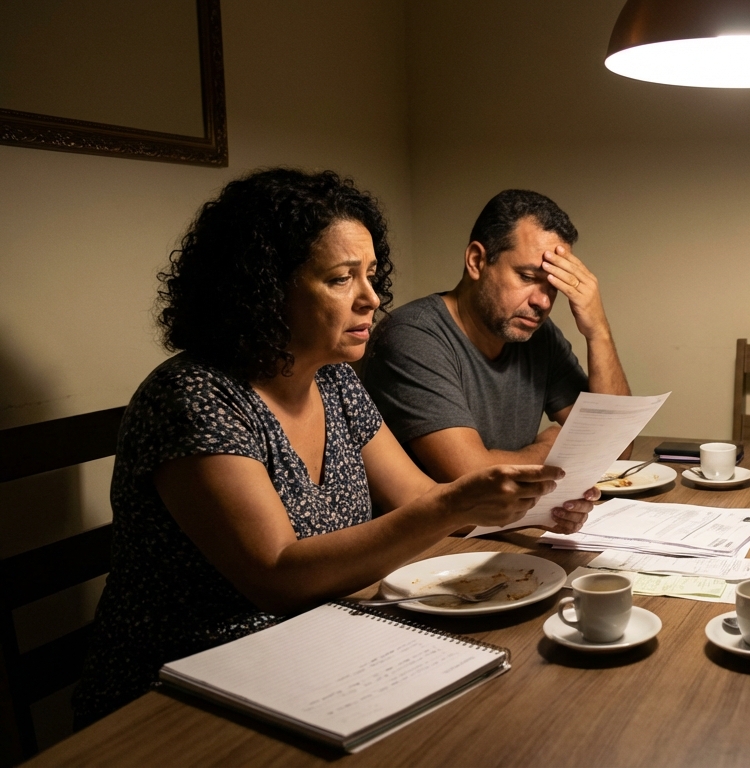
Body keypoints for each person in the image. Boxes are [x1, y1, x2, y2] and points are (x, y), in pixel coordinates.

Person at [72, 170, 596, 726]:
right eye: (342, 278)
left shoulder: (333, 381)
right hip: (183, 691)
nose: (372, 298)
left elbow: (418, 497)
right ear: (266, 287)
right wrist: (454, 505)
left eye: (370, 275)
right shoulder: (194, 397)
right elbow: (276, 576)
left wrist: (532, 506)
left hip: (321, 650)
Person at [363, 189, 631, 482]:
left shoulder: (537, 336)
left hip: (509, 521)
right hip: (449, 529)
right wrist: (549, 449)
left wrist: (598, 332)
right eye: (528, 278)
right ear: (477, 261)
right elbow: (470, 478)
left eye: (552, 286)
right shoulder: (412, 337)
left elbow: (616, 449)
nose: (542, 302)